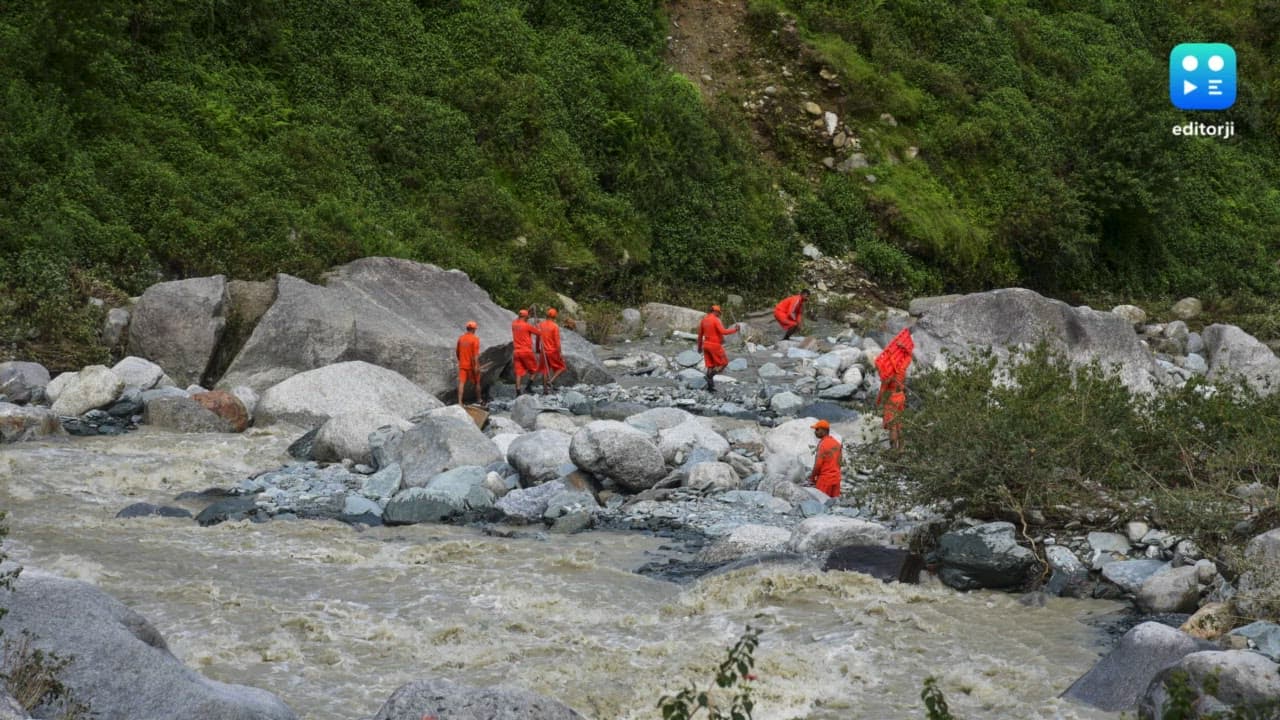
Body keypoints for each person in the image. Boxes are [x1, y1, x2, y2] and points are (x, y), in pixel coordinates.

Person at [696, 304, 739, 392]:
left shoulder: (704, 320)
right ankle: (709, 377)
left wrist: (699, 347)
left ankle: (710, 387)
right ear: (715, 311)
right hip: (714, 345)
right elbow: (723, 331)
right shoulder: (715, 320)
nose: (719, 314)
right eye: (719, 313)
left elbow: (700, 335)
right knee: (724, 363)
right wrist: (735, 330)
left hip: (706, 345)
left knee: (710, 365)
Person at [511, 308, 543, 396]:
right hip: (526, 351)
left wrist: (527, 311)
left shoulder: (514, 324)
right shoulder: (527, 326)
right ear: (525, 317)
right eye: (527, 316)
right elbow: (539, 333)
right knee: (535, 369)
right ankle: (528, 387)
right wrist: (537, 325)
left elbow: (520, 318)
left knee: (519, 372)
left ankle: (518, 392)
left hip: (516, 352)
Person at [808, 419, 843, 498]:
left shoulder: (822, 444)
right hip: (836, 480)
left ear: (824, 431)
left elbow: (818, 464)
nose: (815, 432)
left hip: (825, 481)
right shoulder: (837, 443)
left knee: (821, 506)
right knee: (834, 507)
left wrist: (812, 478)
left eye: (817, 429)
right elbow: (840, 462)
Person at [538, 307, 567, 394]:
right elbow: (557, 342)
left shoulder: (541, 324)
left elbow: (538, 337)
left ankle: (545, 390)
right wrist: (560, 353)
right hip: (552, 351)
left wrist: (537, 348)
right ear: (555, 316)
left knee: (545, 370)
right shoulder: (555, 326)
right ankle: (550, 381)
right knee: (562, 367)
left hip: (543, 351)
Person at [877, 372, 907, 450]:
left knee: (892, 426)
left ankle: (893, 449)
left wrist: (878, 401)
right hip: (901, 396)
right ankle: (901, 448)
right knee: (899, 424)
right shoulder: (900, 368)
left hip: (891, 399)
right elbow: (903, 385)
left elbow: (883, 388)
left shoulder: (888, 371)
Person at [455, 321, 482, 405]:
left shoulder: (461, 338)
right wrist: (476, 366)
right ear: (474, 329)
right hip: (472, 366)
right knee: (477, 383)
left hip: (463, 364)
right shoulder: (475, 339)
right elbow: (475, 355)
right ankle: (479, 400)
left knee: (461, 383)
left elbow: (457, 352)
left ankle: (460, 402)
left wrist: (461, 360)